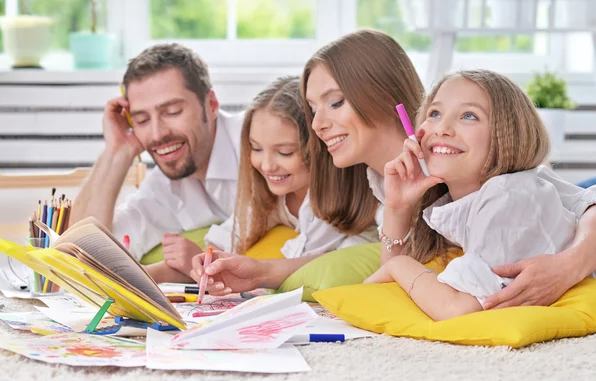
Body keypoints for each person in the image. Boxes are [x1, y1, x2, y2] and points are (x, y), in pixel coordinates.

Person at [192, 29, 596, 307]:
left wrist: (574, 260)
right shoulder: (367, 180)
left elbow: (569, 196)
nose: (316, 124)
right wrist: (261, 272)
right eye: (312, 108)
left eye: (335, 103)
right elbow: (370, 262)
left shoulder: (474, 169)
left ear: (384, 96)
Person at [363, 70, 596, 321]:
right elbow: (393, 288)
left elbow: (460, 309)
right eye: (435, 113)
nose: (442, 128)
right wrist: (397, 209)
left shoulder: (508, 196)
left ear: (507, 135)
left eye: (469, 116)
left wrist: (399, 266)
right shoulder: (503, 190)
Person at [162, 76, 376, 283]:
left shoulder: (331, 202)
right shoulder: (274, 196)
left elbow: (307, 263)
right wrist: (202, 259)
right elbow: (231, 237)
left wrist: (248, 270)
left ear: (321, 149)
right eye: (256, 148)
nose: (266, 165)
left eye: (284, 152)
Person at [69, 43, 244, 283]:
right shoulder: (166, 186)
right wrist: (117, 152)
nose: (157, 134)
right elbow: (81, 252)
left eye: (172, 112)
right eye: (141, 120)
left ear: (211, 105)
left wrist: (162, 272)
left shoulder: (260, 142)